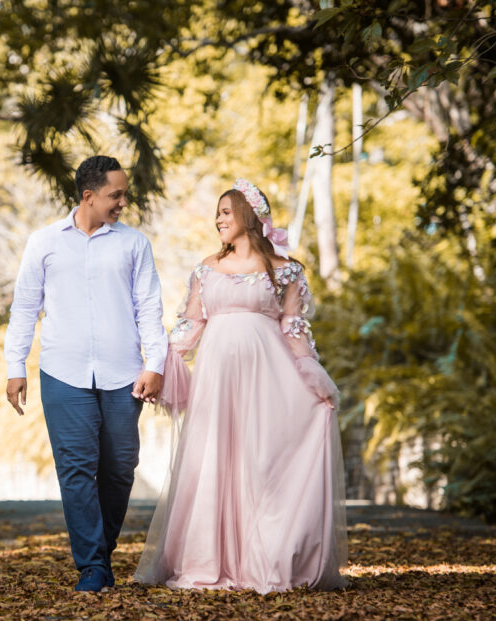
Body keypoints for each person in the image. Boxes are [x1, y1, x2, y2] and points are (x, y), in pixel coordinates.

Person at [134, 178, 348, 593]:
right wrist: (159, 364)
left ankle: (265, 555)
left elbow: (294, 327)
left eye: (226, 212)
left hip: (270, 376)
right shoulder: (207, 268)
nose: (218, 220)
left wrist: (313, 376)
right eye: (217, 213)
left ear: (250, 217)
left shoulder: (286, 271)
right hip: (218, 379)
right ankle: (209, 559)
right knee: (215, 457)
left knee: (260, 459)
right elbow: (191, 323)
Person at [4, 155, 167, 593]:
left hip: (123, 374)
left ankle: (101, 549)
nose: (123, 202)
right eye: (116, 195)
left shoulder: (134, 244)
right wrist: (14, 366)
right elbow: (24, 307)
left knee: (119, 467)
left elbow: (149, 307)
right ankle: (93, 565)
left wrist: (156, 363)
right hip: (62, 371)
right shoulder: (44, 243)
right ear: (89, 196)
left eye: (124, 194)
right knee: (76, 468)